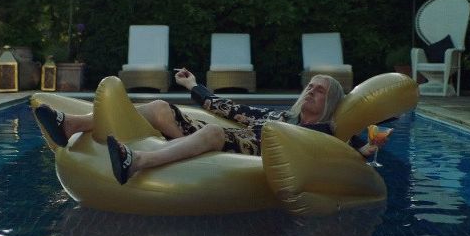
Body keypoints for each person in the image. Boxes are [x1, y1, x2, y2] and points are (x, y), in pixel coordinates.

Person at [35, 69, 381, 185]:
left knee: (214, 133)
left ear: (329, 103)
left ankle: (136, 161)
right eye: (310, 86)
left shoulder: (324, 133)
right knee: (159, 106)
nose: (310, 91)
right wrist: (193, 85)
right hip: (218, 138)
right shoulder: (278, 117)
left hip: (239, 154)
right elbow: (231, 109)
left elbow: (343, 152)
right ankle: (72, 125)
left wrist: (366, 150)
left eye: (319, 91)